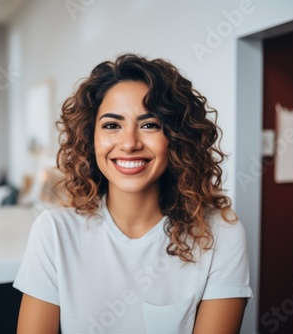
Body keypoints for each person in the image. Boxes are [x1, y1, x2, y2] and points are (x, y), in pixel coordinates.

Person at [14, 53, 252, 334]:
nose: (128, 143)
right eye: (112, 125)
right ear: (92, 138)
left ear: (175, 138)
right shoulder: (53, 233)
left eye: (149, 125)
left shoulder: (220, 234)